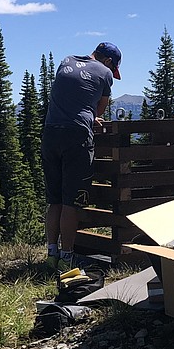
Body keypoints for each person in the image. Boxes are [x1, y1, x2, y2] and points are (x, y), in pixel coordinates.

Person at [40, 42, 121, 270]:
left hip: (50, 133)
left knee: (54, 201)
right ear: (108, 62)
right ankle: (67, 258)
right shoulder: (105, 73)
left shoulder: (66, 60)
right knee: (70, 203)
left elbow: (69, 96)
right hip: (76, 137)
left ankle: (51, 255)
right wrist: (89, 117)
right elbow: (99, 109)